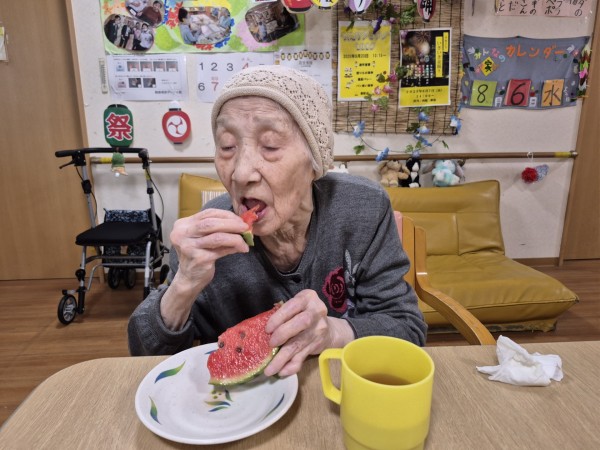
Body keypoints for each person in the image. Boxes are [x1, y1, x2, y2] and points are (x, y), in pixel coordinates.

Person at [127, 66, 427, 377]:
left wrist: (333, 332)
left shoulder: (363, 208)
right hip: (242, 402)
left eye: (270, 145)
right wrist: (184, 285)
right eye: (227, 146)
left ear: (315, 162)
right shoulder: (206, 241)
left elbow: (407, 328)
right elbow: (145, 358)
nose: (241, 173)